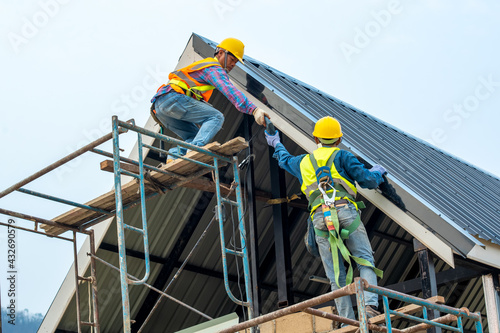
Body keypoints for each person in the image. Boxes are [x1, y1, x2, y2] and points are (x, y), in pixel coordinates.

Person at [265, 116, 386, 323]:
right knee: (365, 260)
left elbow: (284, 159)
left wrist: (276, 142)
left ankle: (348, 320)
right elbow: (367, 180)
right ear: (338, 140)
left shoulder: (304, 162)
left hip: (320, 220)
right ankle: (369, 307)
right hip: (345, 212)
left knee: (335, 275)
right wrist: (378, 173)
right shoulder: (344, 157)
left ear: (315, 138)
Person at [150, 37, 269, 159]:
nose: (233, 64)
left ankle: (174, 155)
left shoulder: (206, 68)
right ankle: (193, 153)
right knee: (216, 117)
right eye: (232, 59)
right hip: (173, 99)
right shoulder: (213, 68)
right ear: (221, 53)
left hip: (160, 107)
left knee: (195, 136)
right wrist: (253, 110)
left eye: (236, 62)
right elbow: (230, 91)